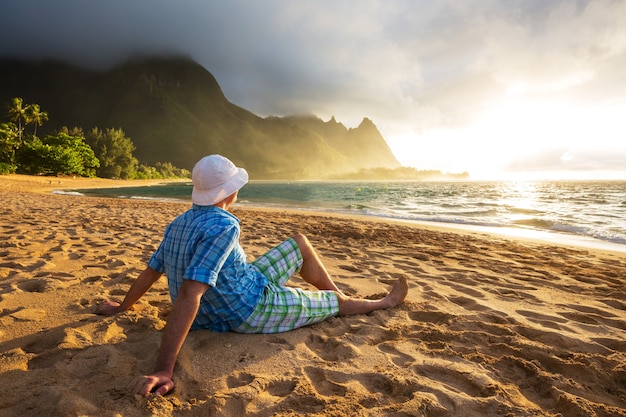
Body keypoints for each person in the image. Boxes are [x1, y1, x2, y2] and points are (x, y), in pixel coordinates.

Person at [96, 154, 408, 396]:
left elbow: (151, 272)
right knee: (327, 302)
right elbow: (191, 292)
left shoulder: (178, 223)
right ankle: (377, 303)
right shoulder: (226, 225)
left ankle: (339, 296)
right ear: (229, 192)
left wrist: (123, 306)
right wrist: (164, 369)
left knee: (299, 242)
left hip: (241, 284)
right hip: (244, 309)